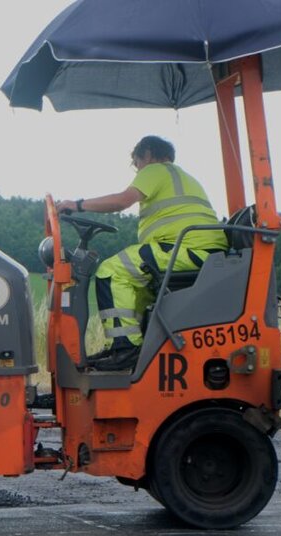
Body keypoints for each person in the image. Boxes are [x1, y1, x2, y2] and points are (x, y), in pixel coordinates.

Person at [56, 136, 227, 371]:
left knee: (111, 271)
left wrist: (76, 205)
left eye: (136, 163)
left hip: (188, 249)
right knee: (135, 285)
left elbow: (122, 201)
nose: (136, 170)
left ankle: (126, 348)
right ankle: (128, 345)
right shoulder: (185, 177)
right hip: (199, 250)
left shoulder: (155, 169)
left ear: (146, 154)